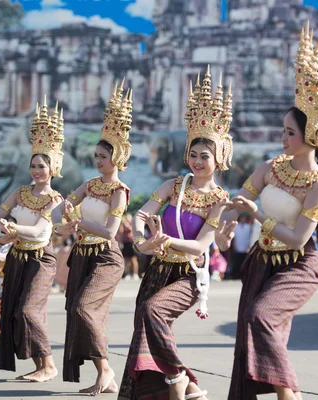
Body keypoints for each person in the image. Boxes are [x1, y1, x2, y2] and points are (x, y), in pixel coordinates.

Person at [217, 23, 318, 400]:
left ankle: (292, 394)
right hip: (262, 260)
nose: (283, 137)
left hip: (300, 264)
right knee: (254, 331)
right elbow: (238, 200)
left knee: (262, 318)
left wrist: (257, 214)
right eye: (283, 130)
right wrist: (223, 226)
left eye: (290, 132)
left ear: (311, 136)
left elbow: (299, 238)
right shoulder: (270, 168)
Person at [118, 66, 233, 400]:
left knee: (154, 311)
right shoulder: (173, 185)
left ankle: (181, 376)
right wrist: (143, 241)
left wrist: (165, 241)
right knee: (147, 323)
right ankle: (169, 389)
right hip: (157, 268)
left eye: (205, 156)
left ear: (219, 157)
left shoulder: (219, 200)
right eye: (193, 154)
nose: (197, 161)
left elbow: (200, 245)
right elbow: (141, 214)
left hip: (189, 274)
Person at [0, 98, 75, 382]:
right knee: (16, 311)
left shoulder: (55, 199)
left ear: (53, 169)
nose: (37, 170)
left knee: (29, 310)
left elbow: (40, 230)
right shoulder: (20, 192)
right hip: (16, 257)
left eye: (42, 166)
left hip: (40, 259)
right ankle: (40, 365)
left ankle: (49, 366)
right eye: (34, 165)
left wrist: (12, 230)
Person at [54, 82, 133, 394]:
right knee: (82, 312)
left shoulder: (119, 191)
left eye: (104, 156)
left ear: (118, 157)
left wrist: (79, 220)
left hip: (106, 256)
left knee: (84, 308)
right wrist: (66, 215)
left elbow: (111, 232)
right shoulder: (89, 184)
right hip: (82, 254)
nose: (98, 160)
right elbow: (67, 205)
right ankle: (105, 375)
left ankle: (107, 369)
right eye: (96, 155)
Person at [119, 212, 139, 280]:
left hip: (131, 242)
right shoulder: (123, 224)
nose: (127, 219)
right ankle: (127, 274)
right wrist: (120, 242)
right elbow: (120, 233)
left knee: (133, 259)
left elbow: (132, 231)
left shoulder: (132, 224)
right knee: (126, 259)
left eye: (128, 217)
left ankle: (135, 274)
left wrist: (127, 225)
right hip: (125, 242)